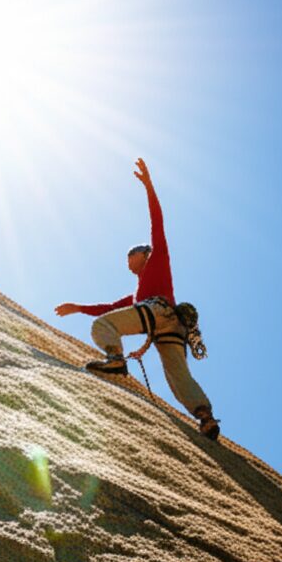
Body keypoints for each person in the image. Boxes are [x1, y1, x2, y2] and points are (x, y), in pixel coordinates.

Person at [54, 158, 220, 440]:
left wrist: (148, 186)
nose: (127, 260)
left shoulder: (158, 259)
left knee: (102, 328)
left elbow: (157, 221)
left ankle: (115, 360)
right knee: (178, 378)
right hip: (167, 326)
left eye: (131, 254)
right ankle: (205, 417)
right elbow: (109, 307)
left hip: (158, 312)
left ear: (143, 254)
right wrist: (79, 308)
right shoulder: (137, 293)